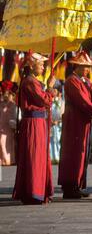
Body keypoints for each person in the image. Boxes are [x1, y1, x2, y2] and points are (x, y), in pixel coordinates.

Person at [58, 51, 92, 199]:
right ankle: (70, 186)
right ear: (77, 66)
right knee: (73, 153)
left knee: (82, 153)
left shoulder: (84, 81)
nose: (88, 70)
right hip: (74, 122)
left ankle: (77, 184)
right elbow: (83, 102)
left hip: (83, 122)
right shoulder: (71, 81)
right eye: (85, 66)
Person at [13, 53, 56, 204]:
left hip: (37, 122)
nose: (44, 67)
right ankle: (33, 191)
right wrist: (50, 89)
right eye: (41, 64)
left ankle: (37, 189)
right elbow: (44, 100)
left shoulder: (33, 81)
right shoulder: (30, 81)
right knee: (34, 156)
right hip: (33, 123)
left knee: (38, 156)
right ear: (32, 66)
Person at [0, 81, 18, 166]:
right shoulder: (1, 104)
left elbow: (14, 116)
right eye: (5, 93)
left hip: (8, 126)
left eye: (8, 94)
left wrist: (14, 125)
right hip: (1, 126)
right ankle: (4, 160)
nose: (6, 95)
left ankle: (8, 160)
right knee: (2, 142)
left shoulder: (13, 105)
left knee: (5, 142)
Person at [50, 87, 64, 163]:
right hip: (51, 123)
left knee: (58, 140)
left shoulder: (61, 102)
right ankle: (52, 157)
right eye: (53, 91)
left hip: (58, 123)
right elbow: (47, 112)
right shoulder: (50, 101)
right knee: (51, 140)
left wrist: (58, 121)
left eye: (55, 91)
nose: (54, 92)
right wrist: (51, 121)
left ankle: (58, 157)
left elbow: (63, 113)